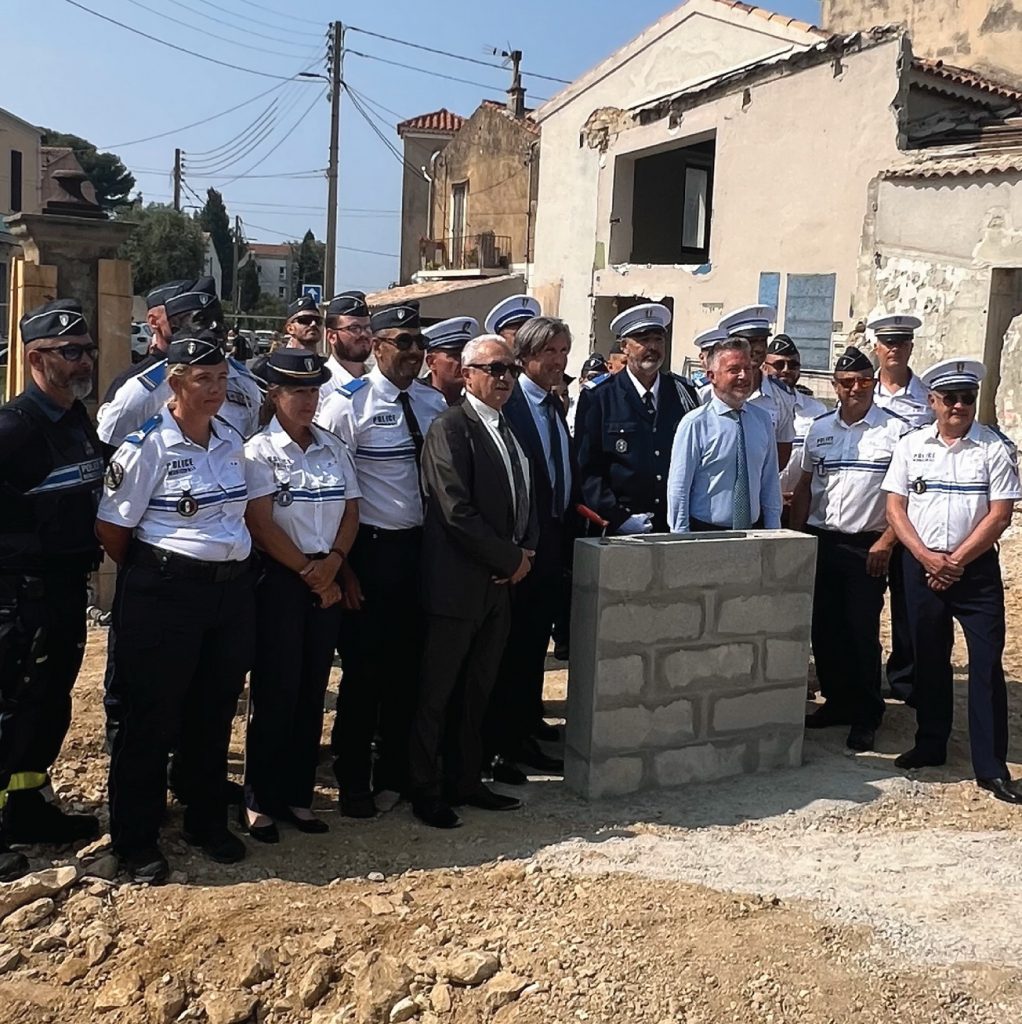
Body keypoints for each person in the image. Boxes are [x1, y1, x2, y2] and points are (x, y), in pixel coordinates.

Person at [96, 329, 256, 884]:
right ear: (176, 382)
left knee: (213, 712)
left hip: (228, 591)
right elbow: (113, 528)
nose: (214, 390)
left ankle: (205, 819)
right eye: (202, 380)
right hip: (166, 593)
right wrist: (163, 570)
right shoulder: (146, 447)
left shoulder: (231, 438)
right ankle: (135, 840)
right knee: (150, 717)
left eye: (221, 379)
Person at [319, 300, 447, 817]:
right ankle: (352, 778)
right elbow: (334, 493)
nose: (415, 353)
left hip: (421, 552)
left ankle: (396, 772)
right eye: (404, 342)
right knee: (364, 674)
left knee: (409, 672)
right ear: (376, 346)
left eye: (420, 343)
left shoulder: (433, 403)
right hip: (371, 553)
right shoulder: (348, 404)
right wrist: (344, 564)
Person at [410, 335, 538, 829]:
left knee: (477, 691)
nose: (504, 377)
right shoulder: (450, 428)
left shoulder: (508, 428)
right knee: (436, 694)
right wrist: (509, 557)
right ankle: (426, 788)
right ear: (467, 375)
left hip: (500, 584)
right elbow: (454, 510)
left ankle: (466, 780)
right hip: (457, 584)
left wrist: (525, 549)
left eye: (509, 368)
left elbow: (525, 493)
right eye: (493, 369)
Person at [882, 358, 1022, 803]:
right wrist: (926, 558)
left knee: (985, 664)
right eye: (950, 399)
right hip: (921, 566)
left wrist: (955, 561)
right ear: (933, 402)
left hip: (974, 570)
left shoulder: (994, 448)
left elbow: (1000, 514)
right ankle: (931, 742)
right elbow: (895, 508)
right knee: (929, 657)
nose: (959, 406)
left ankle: (991, 766)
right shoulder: (911, 445)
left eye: (967, 398)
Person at [0, 300, 104, 879]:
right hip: (19, 594)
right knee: (8, 708)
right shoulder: (15, 429)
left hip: (65, 589)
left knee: (47, 705)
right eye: (71, 352)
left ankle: (28, 804)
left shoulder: (75, 420)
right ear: (37, 358)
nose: (84, 360)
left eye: (86, 349)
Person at [241, 350, 360, 842]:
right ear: (274, 396)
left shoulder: (333, 447)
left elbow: (351, 509)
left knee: (312, 691)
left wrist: (332, 563)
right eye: (298, 392)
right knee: (276, 690)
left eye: (313, 391)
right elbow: (260, 522)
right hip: (282, 580)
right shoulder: (258, 452)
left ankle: (298, 795)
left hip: (325, 575)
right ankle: (260, 799)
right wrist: (310, 571)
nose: (309, 401)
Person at [790, 346, 910, 751]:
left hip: (868, 545)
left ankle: (866, 712)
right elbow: (805, 489)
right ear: (835, 387)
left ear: (873, 384)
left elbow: (904, 497)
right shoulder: (820, 430)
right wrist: (797, 540)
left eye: (862, 381)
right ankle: (837, 702)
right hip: (823, 539)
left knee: (861, 630)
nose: (854, 388)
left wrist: (887, 541)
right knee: (824, 628)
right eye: (846, 383)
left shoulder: (896, 432)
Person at [487, 317, 578, 785]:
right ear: (524, 357)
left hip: (553, 542)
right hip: (522, 546)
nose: (559, 361)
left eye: (564, 351)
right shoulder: (512, 403)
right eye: (550, 352)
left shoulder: (553, 405)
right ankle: (503, 743)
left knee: (533, 648)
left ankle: (525, 726)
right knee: (512, 650)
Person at [576, 302, 699, 535]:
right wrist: (618, 517)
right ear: (625, 347)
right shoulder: (600, 397)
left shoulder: (682, 393)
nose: (652, 347)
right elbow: (588, 470)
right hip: (619, 528)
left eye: (658, 339)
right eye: (643, 340)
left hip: (673, 524)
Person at [98, 276, 263, 448]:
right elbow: (111, 453)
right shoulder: (139, 388)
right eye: (197, 320)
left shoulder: (241, 382)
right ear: (154, 321)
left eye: (216, 320)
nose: (211, 329)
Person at [870, 313, 932, 704]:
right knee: (863, 606)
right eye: (887, 342)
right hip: (868, 517)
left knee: (910, 607)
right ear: (877, 347)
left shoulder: (927, 398)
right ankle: (861, 675)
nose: (894, 349)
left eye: (902, 343)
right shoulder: (862, 388)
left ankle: (907, 680)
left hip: (910, 518)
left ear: (910, 348)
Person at [667, 338, 781, 533]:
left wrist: (774, 532)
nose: (744, 376)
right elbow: (679, 488)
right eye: (734, 370)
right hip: (704, 533)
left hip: (753, 533)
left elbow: (770, 483)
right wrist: (681, 540)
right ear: (712, 376)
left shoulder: (762, 421)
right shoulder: (696, 424)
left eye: (748, 368)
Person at [717, 305, 796, 469]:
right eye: (751, 342)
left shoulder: (782, 396)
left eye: (763, 341)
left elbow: (781, 456)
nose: (759, 349)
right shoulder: (706, 393)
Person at [101, 279, 189, 405]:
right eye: (180, 318)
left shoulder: (217, 374)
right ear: (153, 321)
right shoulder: (131, 384)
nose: (191, 325)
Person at [763, 334, 828, 497]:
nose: (786, 370)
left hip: (798, 502)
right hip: (759, 501)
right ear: (764, 367)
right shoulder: (753, 406)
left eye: (793, 365)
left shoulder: (817, 411)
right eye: (779, 364)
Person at [321, 291, 372, 404]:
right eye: (354, 328)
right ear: (331, 337)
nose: (364, 334)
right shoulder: (321, 386)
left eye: (368, 327)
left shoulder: (376, 380)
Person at [422, 316, 477, 405]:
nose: (464, 362)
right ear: (431, 362)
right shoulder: (416, 400)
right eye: (455, 356)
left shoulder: (475, 400)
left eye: (466, 355)